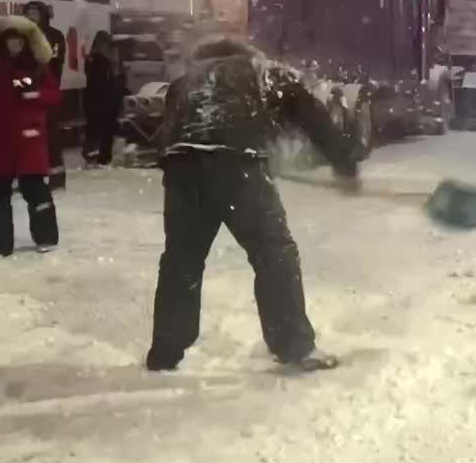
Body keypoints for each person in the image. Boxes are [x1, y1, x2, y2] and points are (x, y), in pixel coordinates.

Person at [147, 37, 360, 373]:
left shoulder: (183, 83)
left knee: (181, 262)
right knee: (274, 253)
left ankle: (165, 352)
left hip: (183, 173)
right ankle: (293, 345)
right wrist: (343, 163)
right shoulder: (260, 70)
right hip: (237, 170)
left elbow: (168, 135)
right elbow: (307, 111)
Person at [0, 15, 61, 259]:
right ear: (2, 42)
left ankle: (46, 237)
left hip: (29, 140)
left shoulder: (38, 67)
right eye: (10, 40)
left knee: (37, 191)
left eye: (19, 40)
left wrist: (35, 95)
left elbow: (54, 96)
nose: (15, 44)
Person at [23, 0, 67, 190]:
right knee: (28, 138)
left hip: (46, 93)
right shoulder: (23, 36)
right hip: (27, 94)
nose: (31, 16)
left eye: (35, 12)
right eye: (28, 12)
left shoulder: (54, 36)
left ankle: (57, 178)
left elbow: (52, 64)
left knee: (49, 136)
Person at [82, 31, 124, 166]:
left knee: (105, 131)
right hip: (99, 104)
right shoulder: (96, 60)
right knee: (98, 131)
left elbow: (116, 82)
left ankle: (102, 157)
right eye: (107, 44)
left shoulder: (106, 61)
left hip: (107, 103)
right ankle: (97, 157)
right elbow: (101, 84)